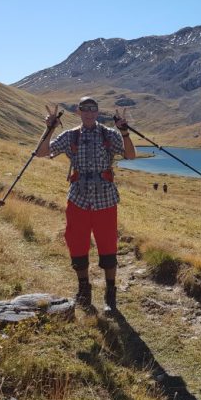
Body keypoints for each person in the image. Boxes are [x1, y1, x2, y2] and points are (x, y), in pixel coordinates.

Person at [37, 96, 135, 313]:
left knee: (108, 245)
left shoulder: (108, 134)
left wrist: (125, 132)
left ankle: (110, 294)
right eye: (85, 110)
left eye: (93, 110)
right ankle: (84, 290)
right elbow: (43, 152)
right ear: (79, 112)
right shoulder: (70, 135)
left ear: (97, 112)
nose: (89, 114)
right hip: (78, 199)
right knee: (77, 243)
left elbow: (130, 154)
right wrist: (50, 128)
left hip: (105, 200)